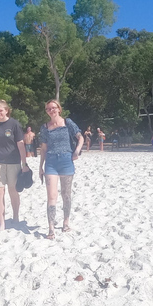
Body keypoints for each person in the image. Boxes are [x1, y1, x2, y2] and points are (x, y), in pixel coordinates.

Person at [38, 100, 84, 240]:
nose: (51, 110)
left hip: (66, 160)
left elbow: (80, 137)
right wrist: (40, 166)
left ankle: (65, 222)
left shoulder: (67, 122)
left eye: (53, 108)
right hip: (51, 162)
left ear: (59, 109)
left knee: (66, 194)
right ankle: (51, 228)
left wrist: (77, 151)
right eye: (48, 109)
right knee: (52, 196)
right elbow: (44, 148)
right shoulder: (45, 127)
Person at [0, 100, 30, 230]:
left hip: (13, 162)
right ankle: (2, 222)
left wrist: (24, 163)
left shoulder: (14, 124)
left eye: (1, 110)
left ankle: (15, 216)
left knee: (13, 191)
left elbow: (21, 145)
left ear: (6, 110)